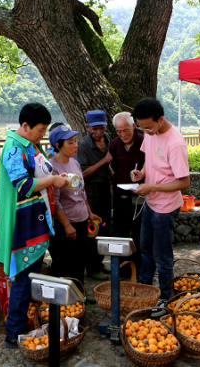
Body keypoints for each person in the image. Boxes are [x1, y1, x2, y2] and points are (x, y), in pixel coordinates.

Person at [0, 103, 68, 348]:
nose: (43, 135)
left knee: (31, 276)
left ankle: (23, 323)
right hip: (23, 225)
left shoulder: (31, 145)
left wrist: (59, 179)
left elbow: (43, 172)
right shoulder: (13, 148)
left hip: (36, 221)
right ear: (25, 126)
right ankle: (12, 334)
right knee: (23, 278)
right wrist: (52, 180)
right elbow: (23, 185)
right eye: (40, 130)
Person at [130, 98, 190, 316]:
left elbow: (184, 182)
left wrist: (151, 186)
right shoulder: (150, 132)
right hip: (151, 202)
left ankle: (165, 296)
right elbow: (150, 158)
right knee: (144, 248)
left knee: (161, 255)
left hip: (165, 207)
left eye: (148, 127)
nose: (145, 131)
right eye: (141, 127)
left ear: (161, 119)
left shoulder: (175, 143)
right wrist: (143, 173)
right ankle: (146, 289)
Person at [48, 124, 102, 302]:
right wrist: (67, 225)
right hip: (66, 225)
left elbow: (82, 192)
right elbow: (54, 200)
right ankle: (56, 301)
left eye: (75, 141)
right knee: (62, 263)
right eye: (70, 142)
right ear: (58, 145)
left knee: (80, 261)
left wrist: (90, 213)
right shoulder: (52, 169)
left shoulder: (75, 163)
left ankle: (79, 296)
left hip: (81, 220)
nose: (75, 145)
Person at [76, 110, 112, 281]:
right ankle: (91, 268)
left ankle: (99, 262)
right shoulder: (83, 145)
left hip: (106, 188)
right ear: (87, 127)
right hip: (91, 190)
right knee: (92, 229)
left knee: (104, 227)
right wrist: (103, 161)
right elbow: (82, 173)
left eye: (101, 128)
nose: (98, 133)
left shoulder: (109, 140)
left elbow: (110, 165)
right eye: (94, 129)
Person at [109, 112, 145, 277]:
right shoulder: (114, 144)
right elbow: (114, 167)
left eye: (125, 130)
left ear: (133, 126)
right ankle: (122, 269)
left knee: (139, 234)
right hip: (121, 197)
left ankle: (139, 269)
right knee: (120, 233)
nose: (122, 135)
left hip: (140, 197)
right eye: (118, 131)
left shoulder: (145, 141)